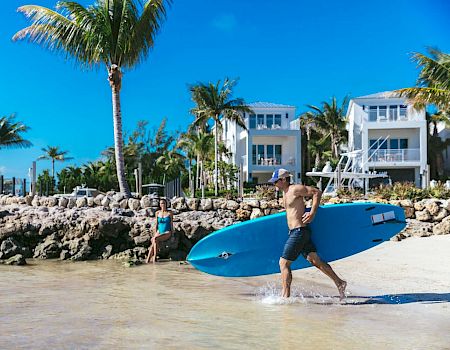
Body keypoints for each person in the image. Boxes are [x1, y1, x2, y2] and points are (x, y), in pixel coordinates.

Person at [268, 168, 347, 299]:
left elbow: (316, 192)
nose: (274, 184)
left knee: (283, 263)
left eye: (275, 181)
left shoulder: (295, 189)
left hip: (299, 231)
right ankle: (340, 282)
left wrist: (312, 213)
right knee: (314, 260)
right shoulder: (285, 192)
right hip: (297, 232)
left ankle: (285, 297)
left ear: (283, 180)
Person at [146, 198, 173, 263]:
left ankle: (155, 257)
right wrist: (155, 233)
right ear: (160, 205)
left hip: (167, 232)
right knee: (153, 241)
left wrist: (172, 233)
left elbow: (171, 223)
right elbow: (156, 224)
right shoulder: (157, 213)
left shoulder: (170, 213)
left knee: (155, 239)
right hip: (159, 231)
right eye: (161, 203)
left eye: (164, 203)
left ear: (166, 204)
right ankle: (148, 260)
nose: (163, 204)